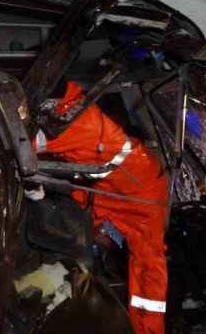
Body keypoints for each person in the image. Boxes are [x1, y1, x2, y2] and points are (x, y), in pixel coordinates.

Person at [26, 81, 169, 334]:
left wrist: (41, 194)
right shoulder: (145, 212)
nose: (99, 240)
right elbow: (151, 285)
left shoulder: (99, 212)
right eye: (102, 243)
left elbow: (79, 198)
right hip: (120, 162)